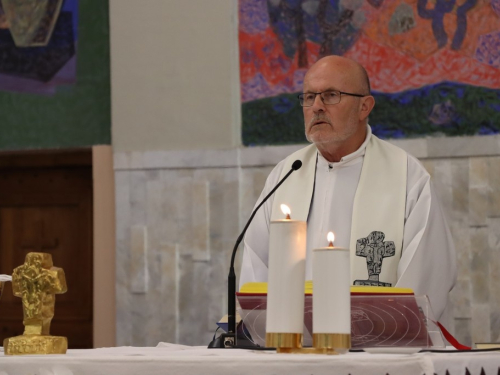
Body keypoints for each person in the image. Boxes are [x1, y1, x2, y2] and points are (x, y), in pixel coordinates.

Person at [239, 55, 457, 320]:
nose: (317, 106)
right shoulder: (285, 174)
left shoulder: (407, 176)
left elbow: (427, 273)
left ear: (364, 106)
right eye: (309, 97)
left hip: (378, 351)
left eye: (331, 95)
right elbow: (256, 267)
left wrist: (379, 333)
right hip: (293, 346)